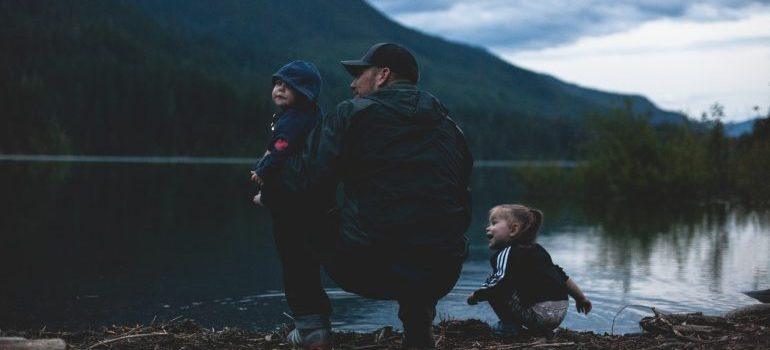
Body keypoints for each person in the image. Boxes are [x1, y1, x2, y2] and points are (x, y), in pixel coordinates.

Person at [256, 43, 473, 349]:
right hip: (442, 271)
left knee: (287, 200)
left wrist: (269, 189)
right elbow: (463, 203)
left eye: (359, 73)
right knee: (428, 227)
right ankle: (417, 330)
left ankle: (311, 325)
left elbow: (303, 181)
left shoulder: (352, 114)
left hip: (371, 267)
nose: (352, 83)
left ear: (382, 76)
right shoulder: (451, 128)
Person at [467, 204, 592, 337]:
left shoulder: (507, 253)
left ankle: (508, 327)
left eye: (494, 223)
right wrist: (581, 298)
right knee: (510, 284)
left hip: (539, 314)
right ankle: (541, 331)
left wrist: (476, 295)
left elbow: (497, 283)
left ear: (514, 229)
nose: (488, 227)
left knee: (496, 285)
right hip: (559, 313)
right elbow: (561, 276)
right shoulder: (538, 250)